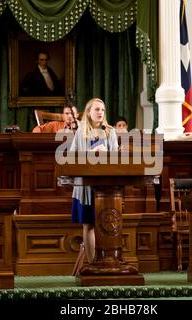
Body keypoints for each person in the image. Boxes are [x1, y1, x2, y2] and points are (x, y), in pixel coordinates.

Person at [70, 98, 119, 264]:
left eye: (103, 110)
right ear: (89, 112)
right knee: (89, 224)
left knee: (106, 222)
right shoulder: (81, 131)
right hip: (85, 186)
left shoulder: (110, 131)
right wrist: (91, 152)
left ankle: (107, 261)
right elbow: (72, 157)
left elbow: (116, 160)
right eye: (97, 109)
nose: (100, 113)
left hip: (106, 186)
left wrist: (108, 154)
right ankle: (92, 264)